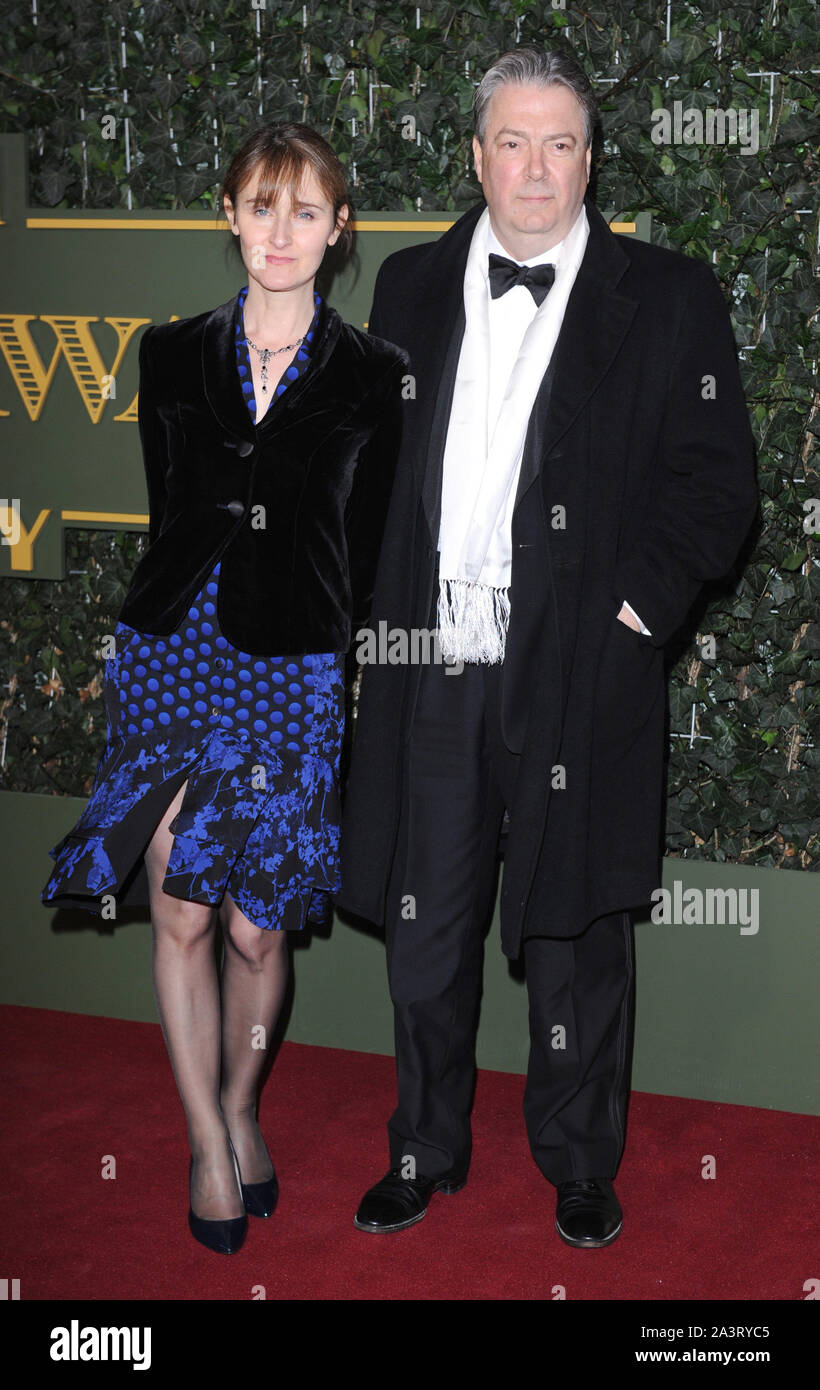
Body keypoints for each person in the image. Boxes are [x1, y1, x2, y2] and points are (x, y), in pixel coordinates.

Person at [336, 47, 757, 1247]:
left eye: (559, 143)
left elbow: (715, 488)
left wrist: (633, 613)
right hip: (433, 644)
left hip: (576, 657)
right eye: (511, 142)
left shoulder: (669, 296)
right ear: (475, 158)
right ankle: (421, 1146)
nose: (534, 168)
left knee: (572, 927)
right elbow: (372, 477)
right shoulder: (409, 287)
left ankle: (580, 1160)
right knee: (427, 922)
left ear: (589, 161)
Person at [41, 122, 407, 1255]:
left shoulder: (373, 376)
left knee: (257, 932)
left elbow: (373, 537)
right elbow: (171, 513)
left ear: (338, 228)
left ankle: (243, 1103)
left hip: (291, 670)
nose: (281, 231)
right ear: (229, 214)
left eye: (306, 210)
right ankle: (206, 1139)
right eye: (261, 205)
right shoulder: (169, 353)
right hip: (173, 661)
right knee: (181, 909)